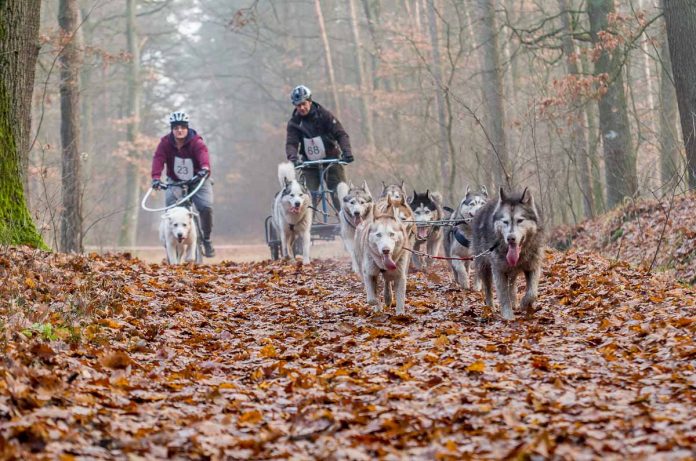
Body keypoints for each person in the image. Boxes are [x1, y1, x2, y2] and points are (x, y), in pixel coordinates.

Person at [151, 111, 215, 257]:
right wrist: (155, 178)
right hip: (175, 181)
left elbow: (203, 156)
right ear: (172, 129)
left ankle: (206, 238)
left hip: (199, 179)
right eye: (176, 127)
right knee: (171, 211)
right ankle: (170, 241)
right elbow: (158, 159)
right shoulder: (165, 143)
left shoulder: (196, 142)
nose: (179, 130)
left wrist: (205, 168)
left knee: (206, 207)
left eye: (182, 127)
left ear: (187, 128)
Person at [285, 85, 354, 211]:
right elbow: (291, 143)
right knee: (307, 196)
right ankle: (307, 224)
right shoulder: (294, 123)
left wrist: (347, 152)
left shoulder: (324, 115)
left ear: (310, 101)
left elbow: (341, 134)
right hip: (309, 164)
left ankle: (346, 221)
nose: (301, 108)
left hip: (331, 160)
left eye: (304, 104)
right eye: (298, 105)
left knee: (340, 193)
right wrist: (293, 158)